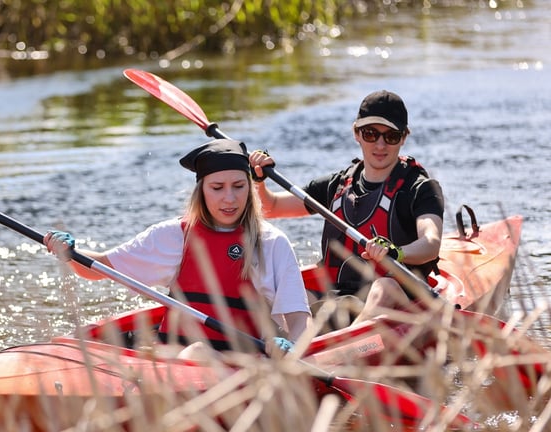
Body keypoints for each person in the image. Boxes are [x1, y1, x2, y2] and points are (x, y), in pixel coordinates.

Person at [44, 138, 312, 357]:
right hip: (173, 358)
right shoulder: (173, 236)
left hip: (242, 359)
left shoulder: (270, 242)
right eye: (217, 187)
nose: (229, 198)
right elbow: (99, 268)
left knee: (196, 353)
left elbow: (299, 319)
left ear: (249, 189)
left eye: (239, 186)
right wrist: (69, 253)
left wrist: (292, 348)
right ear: (201, 191)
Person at [249, 90, 444, 324]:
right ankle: (283, 346)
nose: (380, 144)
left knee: (385, 286)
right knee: (281, 294)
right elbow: (271, 207)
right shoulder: (336, 186)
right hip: (339, 297)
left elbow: (430, 244)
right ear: (356, 133)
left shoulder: (419, 188)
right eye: (371, 134)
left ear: (404, 137)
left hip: (397, 303)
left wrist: (397, 252)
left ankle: (344, 350)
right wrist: (258, 179)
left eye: (391, 136)